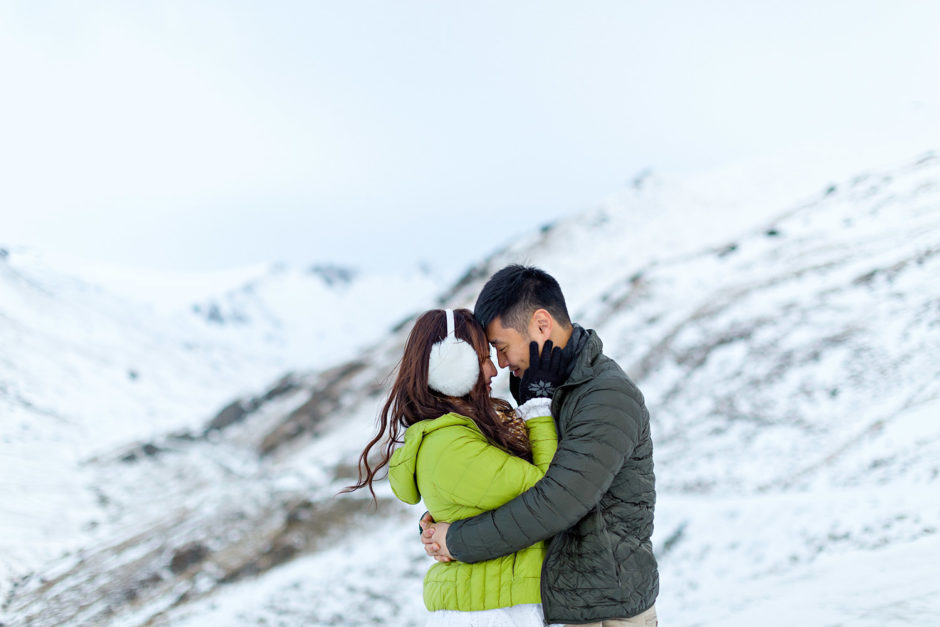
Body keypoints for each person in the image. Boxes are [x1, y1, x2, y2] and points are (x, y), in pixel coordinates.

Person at [420, 265, 659, 626]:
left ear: (541, 325)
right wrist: (448, 513)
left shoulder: (606, 396)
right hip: (562, 605)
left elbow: (557, 502)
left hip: (606, 611)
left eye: (501, 347)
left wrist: (457, 539)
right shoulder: (539, 390)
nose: (499, 365)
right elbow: (510, 483)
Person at [346, 307, 572, 626]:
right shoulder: (450, 446)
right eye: (483, 358)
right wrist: (538, 407)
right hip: (492, 612)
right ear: (451, 367)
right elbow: (548, 490)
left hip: (499, 604)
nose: (494, 370)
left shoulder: (459, 435)